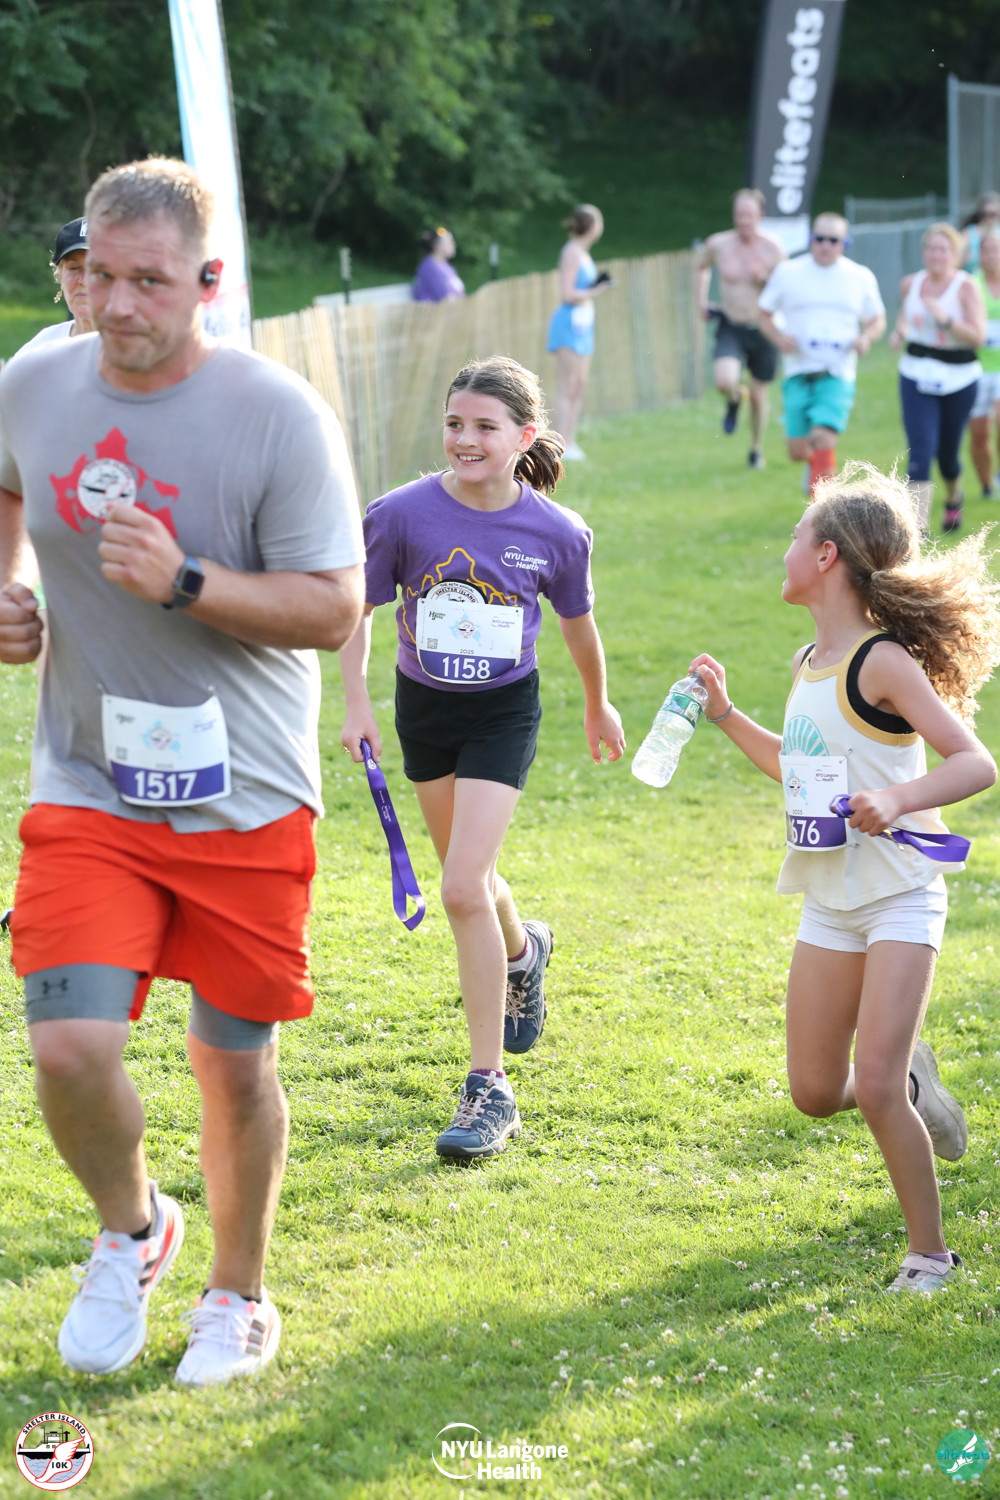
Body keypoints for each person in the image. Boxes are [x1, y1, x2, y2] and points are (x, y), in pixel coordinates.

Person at [0, 157, 365, 1385]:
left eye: (148, 282)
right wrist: (9, 590)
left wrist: (187, 582)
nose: (116, 305)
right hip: (89, 782)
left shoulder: (275, 415)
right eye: (99, 275)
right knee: (68, 1047)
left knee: (232, 1062)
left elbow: (334, 607)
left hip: (244, 798)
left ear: (210, 281)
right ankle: (133, 1230)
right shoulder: (35, 381)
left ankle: (237, 1294)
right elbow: (7, 483)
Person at [691, 463, 999, 1294]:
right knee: (816, 1092)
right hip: (831, 900)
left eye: (796, 537)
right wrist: (726, 716)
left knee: (876, 1086)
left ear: (826, 556)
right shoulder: (808, 661)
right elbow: (797, 768)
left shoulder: (882, 662)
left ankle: (930, 1255)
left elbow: (975, 762)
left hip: (901, 892)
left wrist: (896, 798)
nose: (786, 550)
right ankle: (910, 1079)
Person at [339, 355, 624, 1160]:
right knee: (472, 877)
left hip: (503, 712)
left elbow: (578, 627)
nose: (465, 439)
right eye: (454, 424)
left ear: (524, 437)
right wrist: (356, 702)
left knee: (462, 885)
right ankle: (524, 950)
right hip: (424, 710)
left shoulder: (556, 533)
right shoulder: (399, 515)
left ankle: (488, 1087)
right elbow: (358, 611)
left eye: (484, 427)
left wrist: (598, 703)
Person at [758, 212, 885, 495]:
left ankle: (822, 507)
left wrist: (866, 338)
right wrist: (779, 338)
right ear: (810, 240)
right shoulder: (788, 272)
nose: (825, 245)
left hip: (837, 371)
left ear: (844, 243)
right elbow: (764, 313)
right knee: (796, 450)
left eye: (833, 240)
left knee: (823, 436)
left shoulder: (859, 276)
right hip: (798, 370)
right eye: (819, 239)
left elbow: (877, 319)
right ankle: (814, 462)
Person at [888, 222, 986, 535]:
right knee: (920, 450)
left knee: (947, 455)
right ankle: (917, 531)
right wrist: (900, 331)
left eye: (943, 249)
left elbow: (978, 336)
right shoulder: (910, 284)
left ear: (955, 255)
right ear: (923, 253)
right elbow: (906, 315)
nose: (936, 255)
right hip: (916, 373)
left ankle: (954, 495)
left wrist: (945, 320)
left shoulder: (966, 286)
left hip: (959, 378)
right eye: (931, 248)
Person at [694, 188, 786, 468]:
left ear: (761, 215)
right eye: (739, 214)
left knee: (759, 395)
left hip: (763, 327)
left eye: (749, 214)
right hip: (731, 324)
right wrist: (701, 301)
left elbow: (788, 288)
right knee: (724, 380)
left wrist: (766, 280)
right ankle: (735, 397)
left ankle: (756, 449)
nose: (744, 220)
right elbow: (700, 266)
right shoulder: (719, 244)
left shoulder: (773, 248)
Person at [546, 205, 612, 461]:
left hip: (583, 325)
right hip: (569, 325)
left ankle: (570, 441)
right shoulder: (571, 252)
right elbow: (567, 294)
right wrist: (596, 292)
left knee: (579, 384)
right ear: (593, 227)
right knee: (567, 385)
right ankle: (559, 444)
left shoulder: (583, 253)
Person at [16, 218, 94, 355]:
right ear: (60, 274)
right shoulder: (40, 349)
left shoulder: (133, 352)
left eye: (95, 269)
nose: (84, 280)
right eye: (74, 268)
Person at [967, 230, 1000, 499]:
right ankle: (987, 484)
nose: (991, 255)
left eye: (996, 250)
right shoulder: (971, 284)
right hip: (976, 368)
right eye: (986, 250)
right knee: (979, 433)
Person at [412, 227, 465, 303]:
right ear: (437, 246)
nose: (454, 244)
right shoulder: (431, 268)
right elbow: (445, 299)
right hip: (434, 310)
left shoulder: (447, 267)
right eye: (450, 242)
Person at [961, 191, 1000, 273]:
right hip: (973, 278)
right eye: (985, 214)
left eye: (993, 214)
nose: (989, 219)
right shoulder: (968, 234)